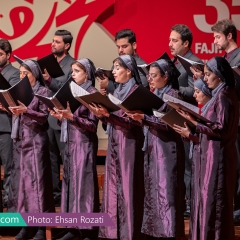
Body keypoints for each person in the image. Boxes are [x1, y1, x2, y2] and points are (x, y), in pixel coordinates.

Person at [175, 57, 239, 240]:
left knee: (215, 203)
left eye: (209, 74)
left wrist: (194, 122)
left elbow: (222, 130)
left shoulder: (225, 95)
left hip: (218, 158)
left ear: (219, 75)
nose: (205, 79)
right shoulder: (219, 93)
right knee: (208, 202)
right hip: (211, 154)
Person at [127, 59, 185, 239]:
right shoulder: (153, 93)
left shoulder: (173, 94)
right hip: (153, 146)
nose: (150, 79)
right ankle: (155, 232)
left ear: (165, 77)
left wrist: (144, 118)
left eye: (153, 76)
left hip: (168, 149)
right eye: (148, 76)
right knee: (153, 191)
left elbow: (169, 124)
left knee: (166, 193)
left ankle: (169, 233)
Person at [90, 55, 145, 240]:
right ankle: (113, 232)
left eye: (117, 68)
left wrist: (109, 115)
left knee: (127, 189)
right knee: (113, 187)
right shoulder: (117, 90)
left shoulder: (135, 90)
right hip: (115, 141)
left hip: (128, 143)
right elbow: (112, 118)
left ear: (129, 70)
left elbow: (131, 122)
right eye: (113, 68)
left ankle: (129, 233)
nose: (113, 72)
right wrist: (102, 115)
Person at [49, 58, 99, 240]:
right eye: (72, 71)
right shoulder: (71, 90)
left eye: (77, 71)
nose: (73, 75)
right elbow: (69, 117)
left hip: (84, 144)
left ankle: (87, 229)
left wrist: (71, 117)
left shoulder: (91, 92)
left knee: (84, 185)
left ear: (87, 73)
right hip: (70, 144)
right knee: (70, 183)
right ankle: (72, 226)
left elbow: (93, 125)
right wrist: (60, 116)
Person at [8, 59, 55, 240]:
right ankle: (27, 225)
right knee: (23, 186)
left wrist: (26, 110)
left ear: (34, 74)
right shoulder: (19, 92)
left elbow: (43, 117)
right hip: (20, 141)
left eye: (25, 73)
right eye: (20, 73)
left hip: (36, 142)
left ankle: (41, 227)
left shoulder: (43, 92)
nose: (22, 76)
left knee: (38, 186)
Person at [169, 24, 204, 218]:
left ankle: (191, 206)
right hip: (175, 118)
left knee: (189, 167)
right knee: (178, 166)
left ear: (186, 43)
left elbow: (195, 92)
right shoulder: (176, 62)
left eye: (174, 40)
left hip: (187, 120)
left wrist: (175, 91)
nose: (170, 44)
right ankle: (180, 204)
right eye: (170, 40)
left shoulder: (194, 62)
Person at [211, 19, 240, 224]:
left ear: (229, 36)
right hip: (227, 116)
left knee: (238, 165)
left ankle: (238, 208)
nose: (214, 40)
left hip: (237, 118)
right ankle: (233, 206)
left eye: (217, 37)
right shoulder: (225, 57)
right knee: (232, 165)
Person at [42, 30, 75, 206]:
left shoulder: (73, 65)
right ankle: (54, 195)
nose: (53, 44)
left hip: (64, 119)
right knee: (51, 159)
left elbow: (68, 90)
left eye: (57, 42)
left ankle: (68, 196)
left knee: (67, 159)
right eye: (53, 41)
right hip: (48, 118)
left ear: (67, 45)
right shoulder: (50, 62)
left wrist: (49, 80)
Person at [97, 29, 148, 95]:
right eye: (118, 47)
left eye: (124, 46)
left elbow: (138, 93)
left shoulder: (142, 67)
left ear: (134, 45)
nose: (120, 50)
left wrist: (108, 85)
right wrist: (104, 92)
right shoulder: (116, 64)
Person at [0, 39, 19, 208]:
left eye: (0, 54)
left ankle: (9, 200)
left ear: (8, 55)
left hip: (5, 125)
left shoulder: (13, 73)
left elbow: (13, 98)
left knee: (8, 166)